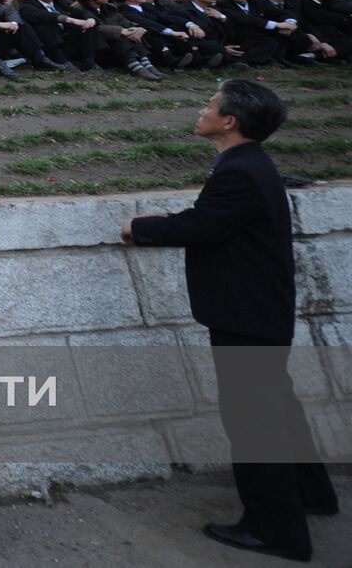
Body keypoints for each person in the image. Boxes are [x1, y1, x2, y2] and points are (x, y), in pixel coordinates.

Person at [121, 80, 338, 562]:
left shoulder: (240, 170)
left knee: (253, 420)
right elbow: (216, 217)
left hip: (245, 313)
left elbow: (203, 226)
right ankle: (311, 494)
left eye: (209, 106)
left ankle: (275, 529)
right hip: (260, 309)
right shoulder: (249, 165)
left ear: (230, 121)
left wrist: (140, 227)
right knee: (278, 407)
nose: (201, 111)